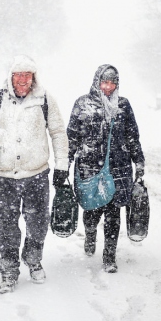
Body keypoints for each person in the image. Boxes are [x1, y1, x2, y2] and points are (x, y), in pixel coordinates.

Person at [0, 55, 69, 294]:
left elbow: (59, 133)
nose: (22, 80)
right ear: (11, 77)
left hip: (37, 175)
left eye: (27, 75)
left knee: (38, 224)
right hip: (4, 177)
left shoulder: (45, 100)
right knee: (7, 226)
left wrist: (62, 165)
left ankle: (32, 259)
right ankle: (9, 270)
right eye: (18, 75)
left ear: (34, 78)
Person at [61, 64, 145, 273]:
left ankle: (109, 256)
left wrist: (139, 162)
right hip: (90, 169)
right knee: (92, 211)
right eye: (104, 82)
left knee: (113, 213)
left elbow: (132, 136)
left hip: (119, 168)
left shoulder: (123, 106)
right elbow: (71, 137)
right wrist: (64, 164)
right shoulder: (83, 104)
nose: (108, 87)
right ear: (97, 82)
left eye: (112, 83)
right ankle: (90, 234)